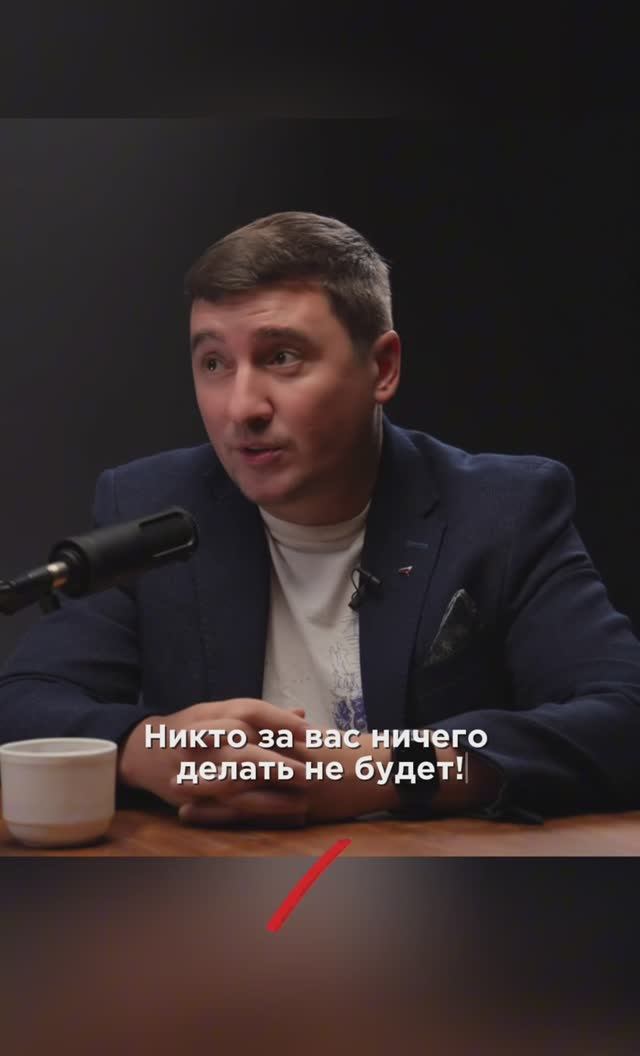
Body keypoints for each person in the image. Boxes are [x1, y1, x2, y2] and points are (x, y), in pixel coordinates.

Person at [1, 211, 640, 829]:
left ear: (381, 368)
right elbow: (24, 701)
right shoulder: (149, 506)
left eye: (282, 357)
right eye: (214, 363)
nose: (242, 408)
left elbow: (623, 714)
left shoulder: (503, 510)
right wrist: (145, 745)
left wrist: (385, 772)